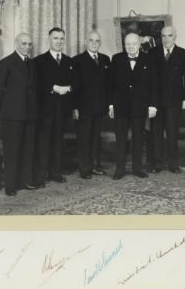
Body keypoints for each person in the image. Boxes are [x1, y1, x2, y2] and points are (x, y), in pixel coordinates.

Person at [0, 33, 39, 196]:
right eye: (24, 43)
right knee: (12, 152)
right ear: (16, 44)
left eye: (29, 44)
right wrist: (6, 109)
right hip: (12, 116)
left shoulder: (32, 63)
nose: (27, 47)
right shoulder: (6, 63)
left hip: (30, 114)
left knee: (27, 149)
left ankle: (25, 181)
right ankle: (10, 186)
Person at [109, 33, 158, 180]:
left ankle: (137, 168)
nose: (131, 47)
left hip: (140, 106)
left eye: (134, 44)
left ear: (139, 45)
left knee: (138, 138)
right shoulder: (116, 59)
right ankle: (120, 169)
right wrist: (111, 105)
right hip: (121, 107)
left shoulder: (149, 59)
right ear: (124, 45)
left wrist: (152, 106)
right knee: (121, 139)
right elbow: (111, 85)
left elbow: (154, 84)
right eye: (128, 44)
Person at [33, 27, 74, 186]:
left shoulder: (69, 61)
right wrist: (53, 87)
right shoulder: (39, 61)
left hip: (62, 109)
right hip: (45, 109)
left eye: (61, 39)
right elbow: (37, 84)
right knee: (43, 142)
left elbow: (75, 81)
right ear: (49, 40)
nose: (59, 41)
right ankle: (41, 175)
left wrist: (69, 88)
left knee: (58, 141)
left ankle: (55, 173)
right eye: (55, 38)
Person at [149, 26, 185, 173]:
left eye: (169, 35)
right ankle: (157, 164)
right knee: (156, 134)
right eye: (164, 36)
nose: (166, 39)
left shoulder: (183, 54)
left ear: (175, 36)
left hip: (174, 101)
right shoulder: (152, 52)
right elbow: (150, 79)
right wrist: (151, 103)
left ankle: (173, 164)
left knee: (173, 133)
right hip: (156, 101)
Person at [72, 30, 110, 179]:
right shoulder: (77, 60)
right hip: (84, 108)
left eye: (97, 41)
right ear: (86, 42)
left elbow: (108, 85)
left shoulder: (106, 59)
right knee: (84, 139)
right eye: (91, 41)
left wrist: (108, 105)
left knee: (95, 138)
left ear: (100, 43)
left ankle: (95, 166)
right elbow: (74, 87)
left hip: (100, 107)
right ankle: (84, 169)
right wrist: (75, 107)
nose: (94, 43)